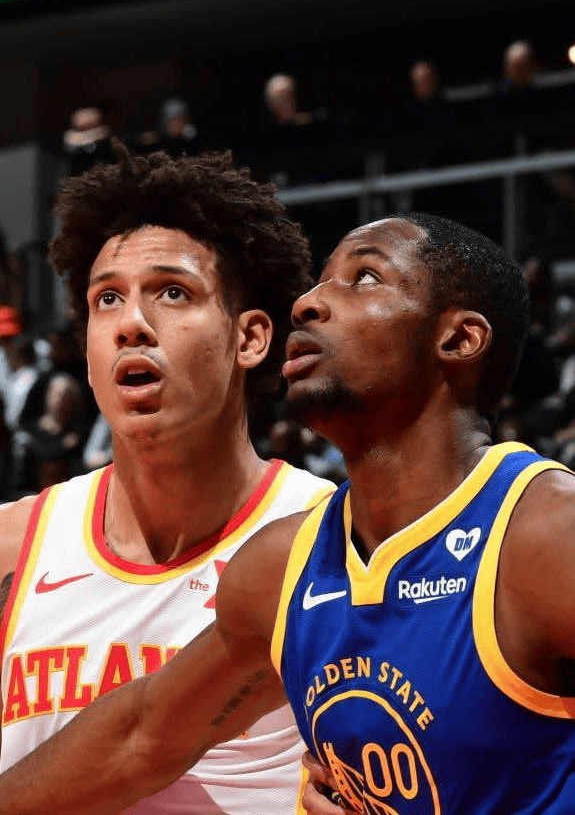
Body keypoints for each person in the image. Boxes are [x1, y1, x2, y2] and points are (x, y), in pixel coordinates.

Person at [4, 213, 575, 815]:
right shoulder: (282, 567)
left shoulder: (545, 533)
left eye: (364, 278)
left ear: (458, 340)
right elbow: (140, 738)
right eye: (320, 280)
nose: (308, 303)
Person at [0, 144, 335, 814]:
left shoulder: (335, 543)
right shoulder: (13, 545)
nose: (131, 324)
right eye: (107, 299)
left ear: (250, 338)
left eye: (172, 292)